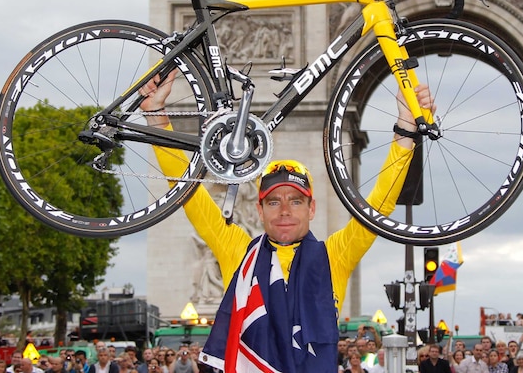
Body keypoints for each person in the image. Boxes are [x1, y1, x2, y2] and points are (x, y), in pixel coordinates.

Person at [140, 71, 435, 373]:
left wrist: (407, 130)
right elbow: (191, 197)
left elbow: (378, 206)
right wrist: (156, 118)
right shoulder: (237, 250)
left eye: (295, 201)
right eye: (273, 201)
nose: (284, 210)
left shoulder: (336, 255)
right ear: (260, 210)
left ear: (312, 208)